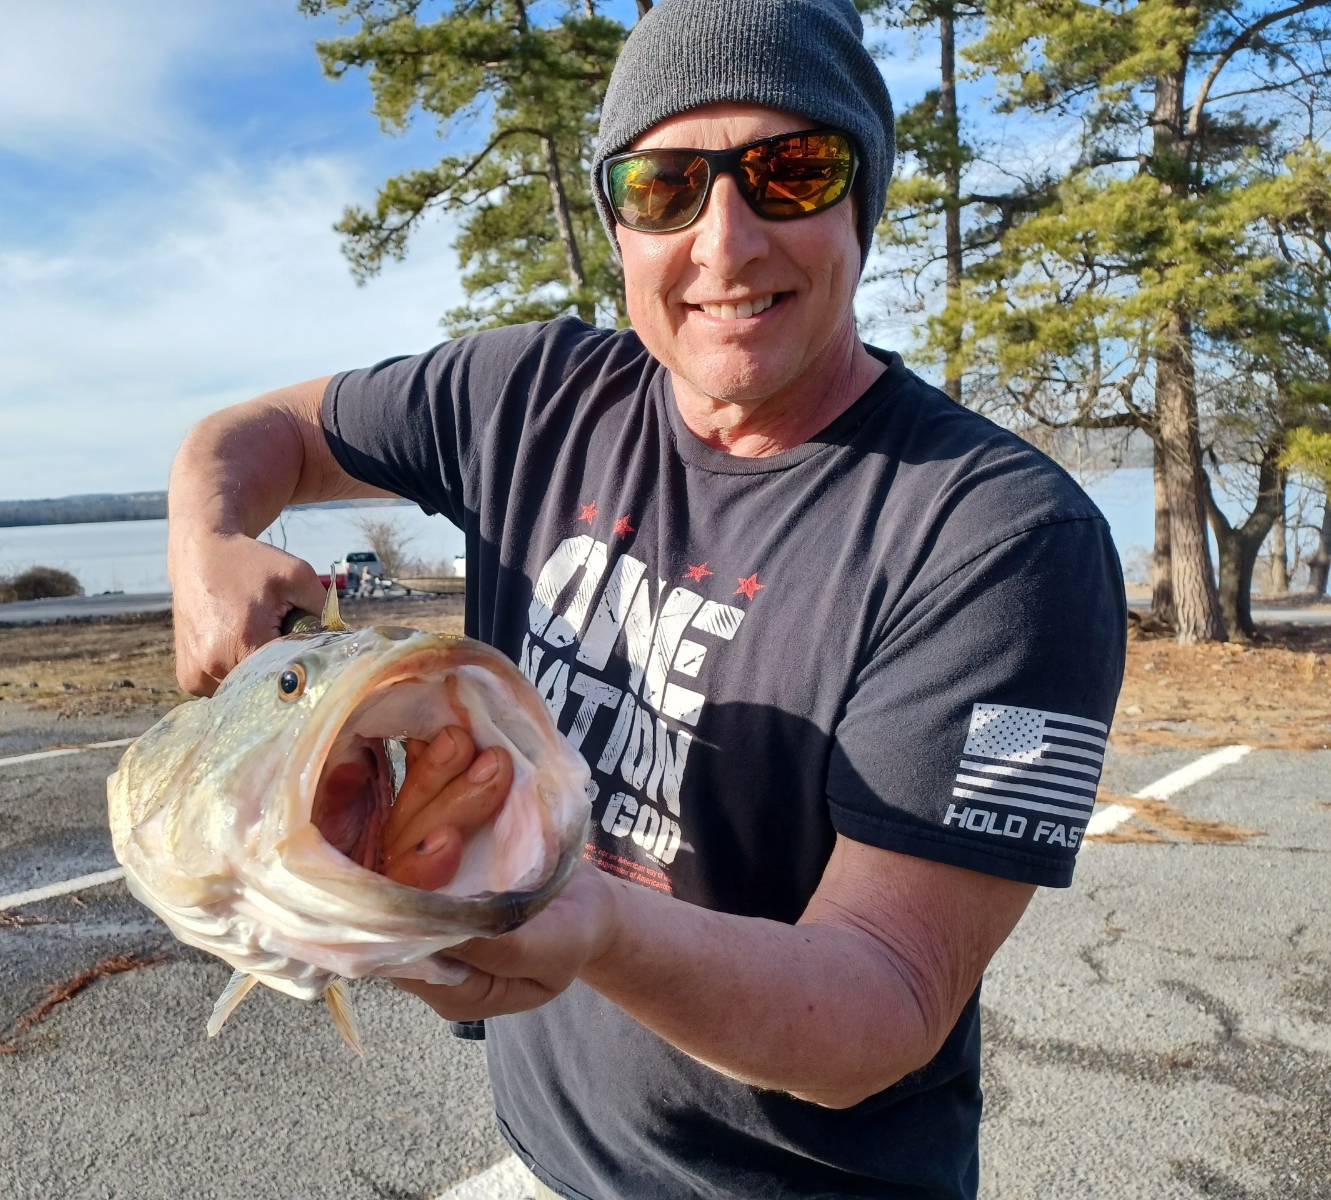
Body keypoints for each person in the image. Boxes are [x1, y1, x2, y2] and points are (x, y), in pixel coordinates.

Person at [165, 0, 1125, 1195]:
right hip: (543, 1158)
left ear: (860, 204)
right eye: (665, 185)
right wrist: (205, 539)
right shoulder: (530, 394)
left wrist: (596, 927)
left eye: (789, 171)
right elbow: (260, 431)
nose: (724, 244)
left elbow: (887, 1002)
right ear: (619, 219)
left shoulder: (1007, 542)